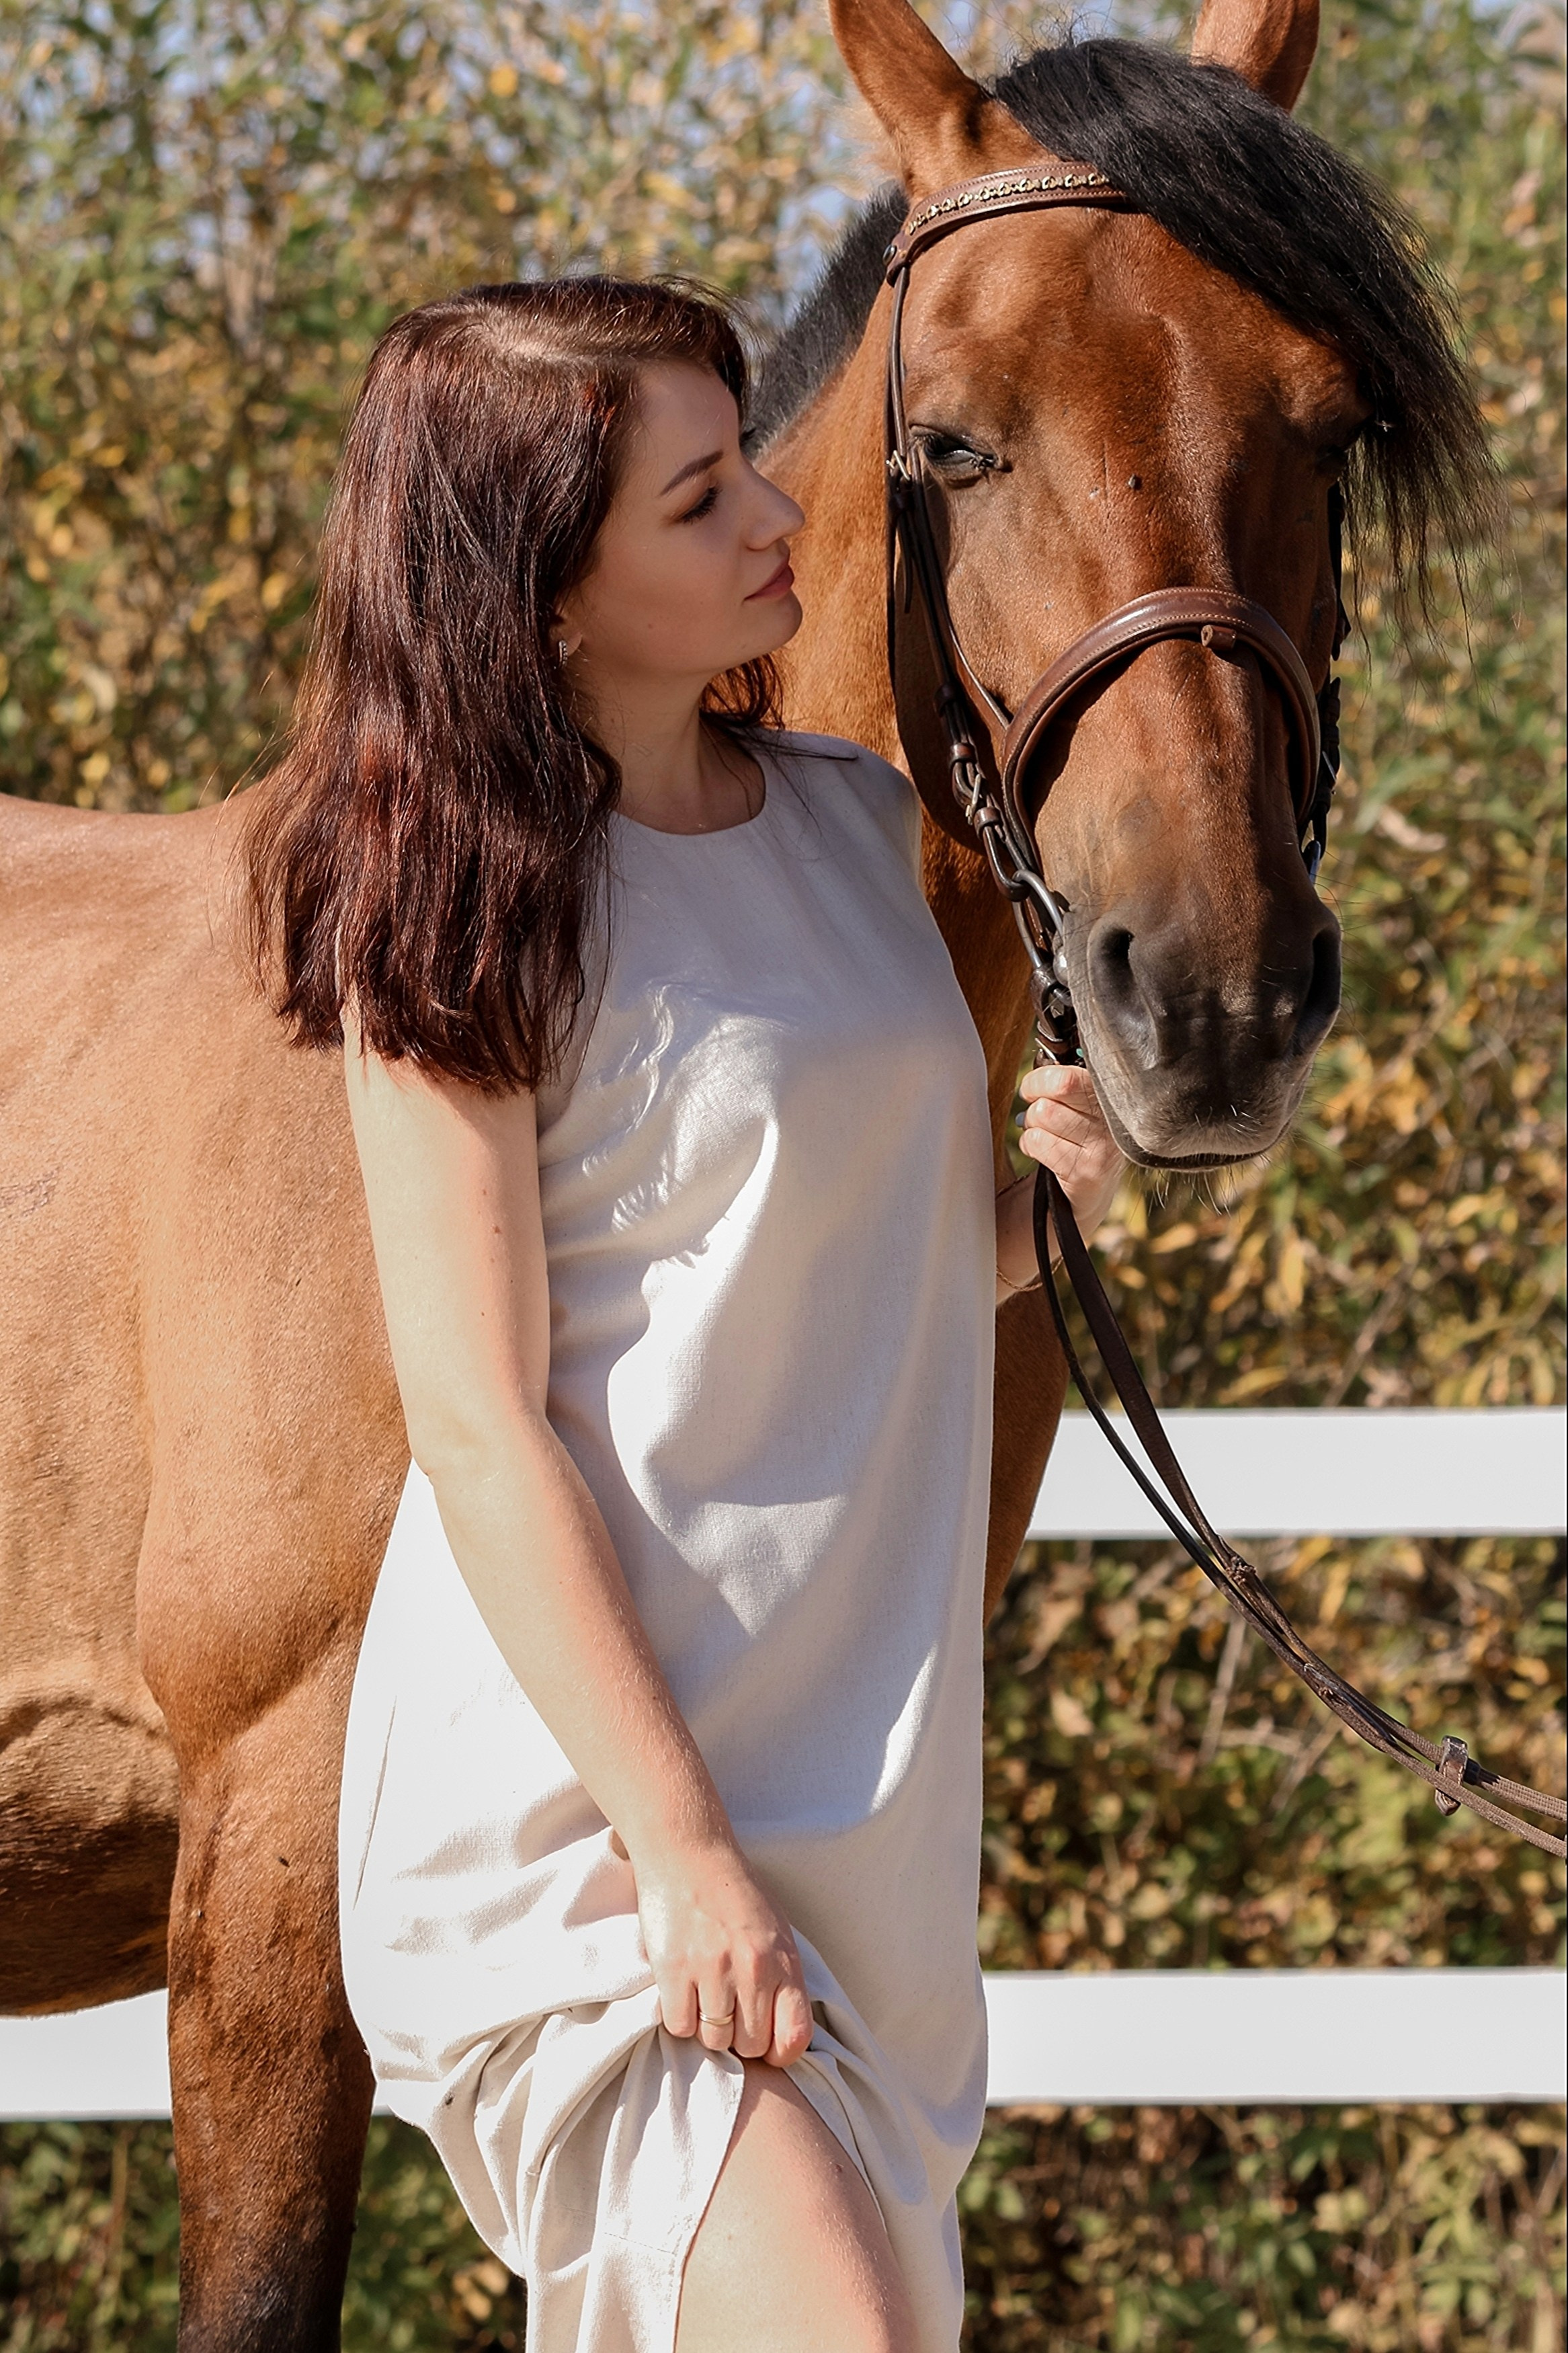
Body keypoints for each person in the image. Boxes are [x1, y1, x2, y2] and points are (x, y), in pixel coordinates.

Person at [247, 277, 1123, 2353]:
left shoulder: (853, 825)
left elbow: (864, 1271)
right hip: (597, 1836)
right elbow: (479, 1425)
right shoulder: (462, 913)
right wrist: (680, 1852)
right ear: (545, 585)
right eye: (701, 494)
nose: (777, 516)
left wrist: (1055, 1207)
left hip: (856, 1813)